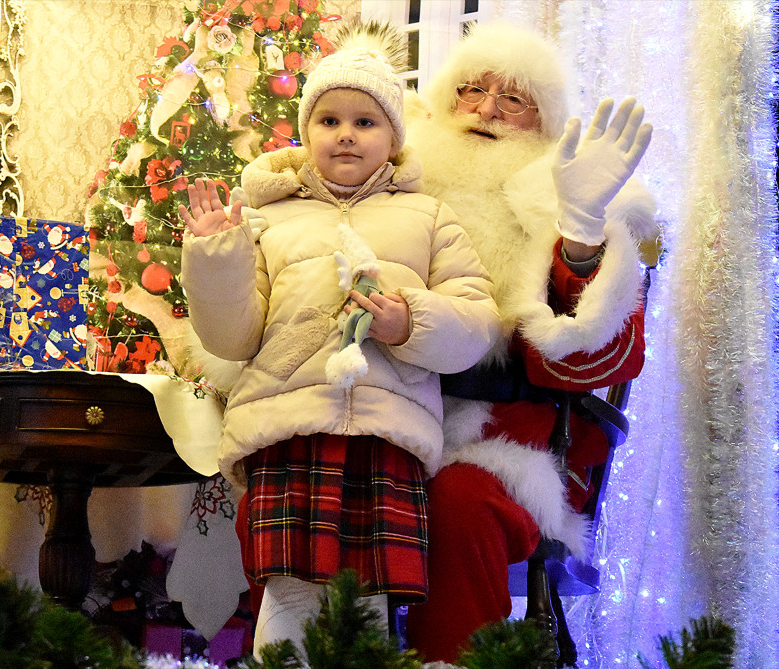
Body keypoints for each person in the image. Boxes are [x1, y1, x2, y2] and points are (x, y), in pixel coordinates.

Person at [178, 23, 501, 658]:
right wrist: (216, 256)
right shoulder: (271, 217)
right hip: (289, 429)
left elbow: (477, 321)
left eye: (365, 121)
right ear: (306, 133)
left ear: (393, 139)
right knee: (288, 594)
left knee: (365, 604)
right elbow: (234, 335)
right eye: (328, 120)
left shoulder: (431, 216)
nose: (346, 134)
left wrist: (407, 322)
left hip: (385, 433)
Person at [401, 22, 657, 662]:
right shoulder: (395, 177)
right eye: (471, 89)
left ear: (546, 120)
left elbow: (595, 356)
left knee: (456, 501)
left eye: (513, 99)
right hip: (385, 418)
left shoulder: (576, 195)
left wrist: (579, 233)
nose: (486, 110)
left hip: (504, 441)